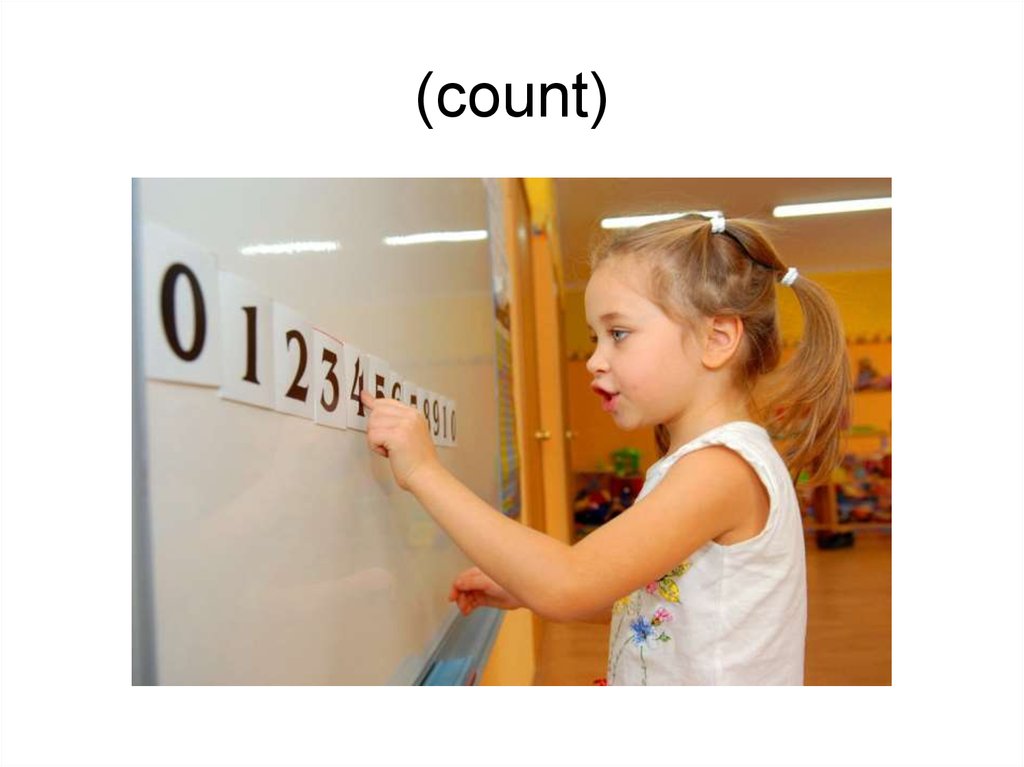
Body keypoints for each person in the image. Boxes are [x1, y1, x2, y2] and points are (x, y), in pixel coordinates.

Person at [360, 211, 850, 685]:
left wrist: (423, 471)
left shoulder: (721, 468)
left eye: (619, 334)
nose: (595, 360)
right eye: (595, 338)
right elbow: (664, 599)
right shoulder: (710, 462)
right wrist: (526, 588)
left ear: (716, 339)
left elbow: (568, 583)